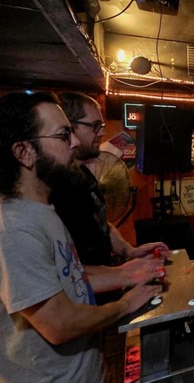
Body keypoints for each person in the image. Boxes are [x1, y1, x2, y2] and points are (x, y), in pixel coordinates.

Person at [0, 91, 161, 383]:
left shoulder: (39, 210)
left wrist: (125, 272)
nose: (76, 141)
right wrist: (126, 304)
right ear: (23, 152)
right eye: (63, 135)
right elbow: (59, 323)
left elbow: (66, 275)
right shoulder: (9, 230)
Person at [51, 91, 169, 268]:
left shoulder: (83, 173)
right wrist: (124, 275)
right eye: (95, 125)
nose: (102, 132)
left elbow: (99, 222)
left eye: (103, 125)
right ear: (68, 127)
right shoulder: (52, 187)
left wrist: (129, 251)